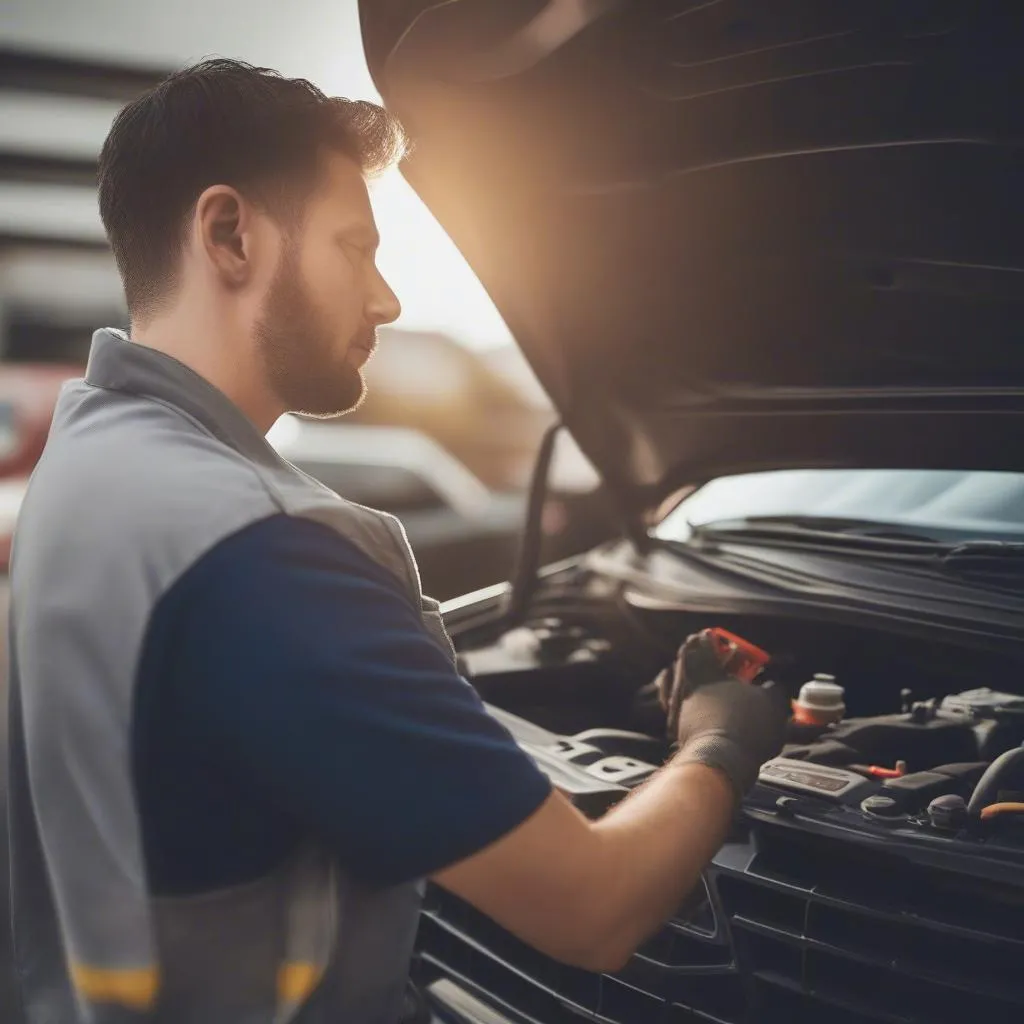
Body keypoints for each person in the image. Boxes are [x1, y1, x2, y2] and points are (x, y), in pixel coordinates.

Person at [6, 59, 788, 1024]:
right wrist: (722, 741)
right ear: (228, 232)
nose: (386, 300)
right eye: (355, 247)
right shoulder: (267, 551)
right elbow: (596, 911)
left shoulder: (84, 462)